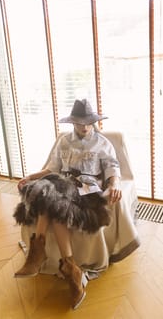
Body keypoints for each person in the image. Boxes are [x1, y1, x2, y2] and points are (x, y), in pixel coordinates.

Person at [13, 98, 140, 310]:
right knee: (47, 193)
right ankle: (68, 268)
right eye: (80, 122)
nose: (84, 126)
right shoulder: (64, 141)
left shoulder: (103, 143)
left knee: (52, 199)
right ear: (72, 122)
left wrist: (115, 184)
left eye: (88, 122)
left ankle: (40, 255)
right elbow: (52, 168)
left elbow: (112, 169)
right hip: (61, 182)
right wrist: (30, 176)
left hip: (86, 190)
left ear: (93, 121)